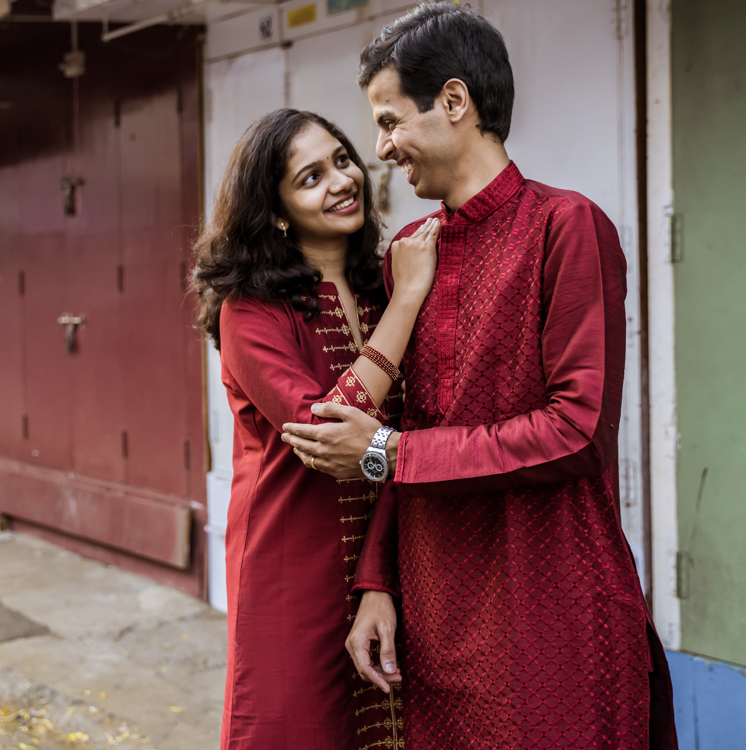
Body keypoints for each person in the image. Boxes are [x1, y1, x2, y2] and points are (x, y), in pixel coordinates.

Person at [279, 5, 680, 749]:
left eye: (391, 120)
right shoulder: (410, 252)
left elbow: (577, 432)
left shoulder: (568, 226)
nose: (380, 147)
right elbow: (409, 417)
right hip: (435, 622)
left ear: (456, 102)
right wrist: (377, 582)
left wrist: (389, 452)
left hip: (549, 608)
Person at [192, 108, 438, 749]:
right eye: (309, 177)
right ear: (275, 210)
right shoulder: (249, 311)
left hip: (391, 560)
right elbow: (326, 435)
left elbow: (404, 438)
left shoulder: (379, 287)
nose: (340, 180)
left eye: (342, 159)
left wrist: (380, 577)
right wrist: (411, 300)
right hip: (289, 571)